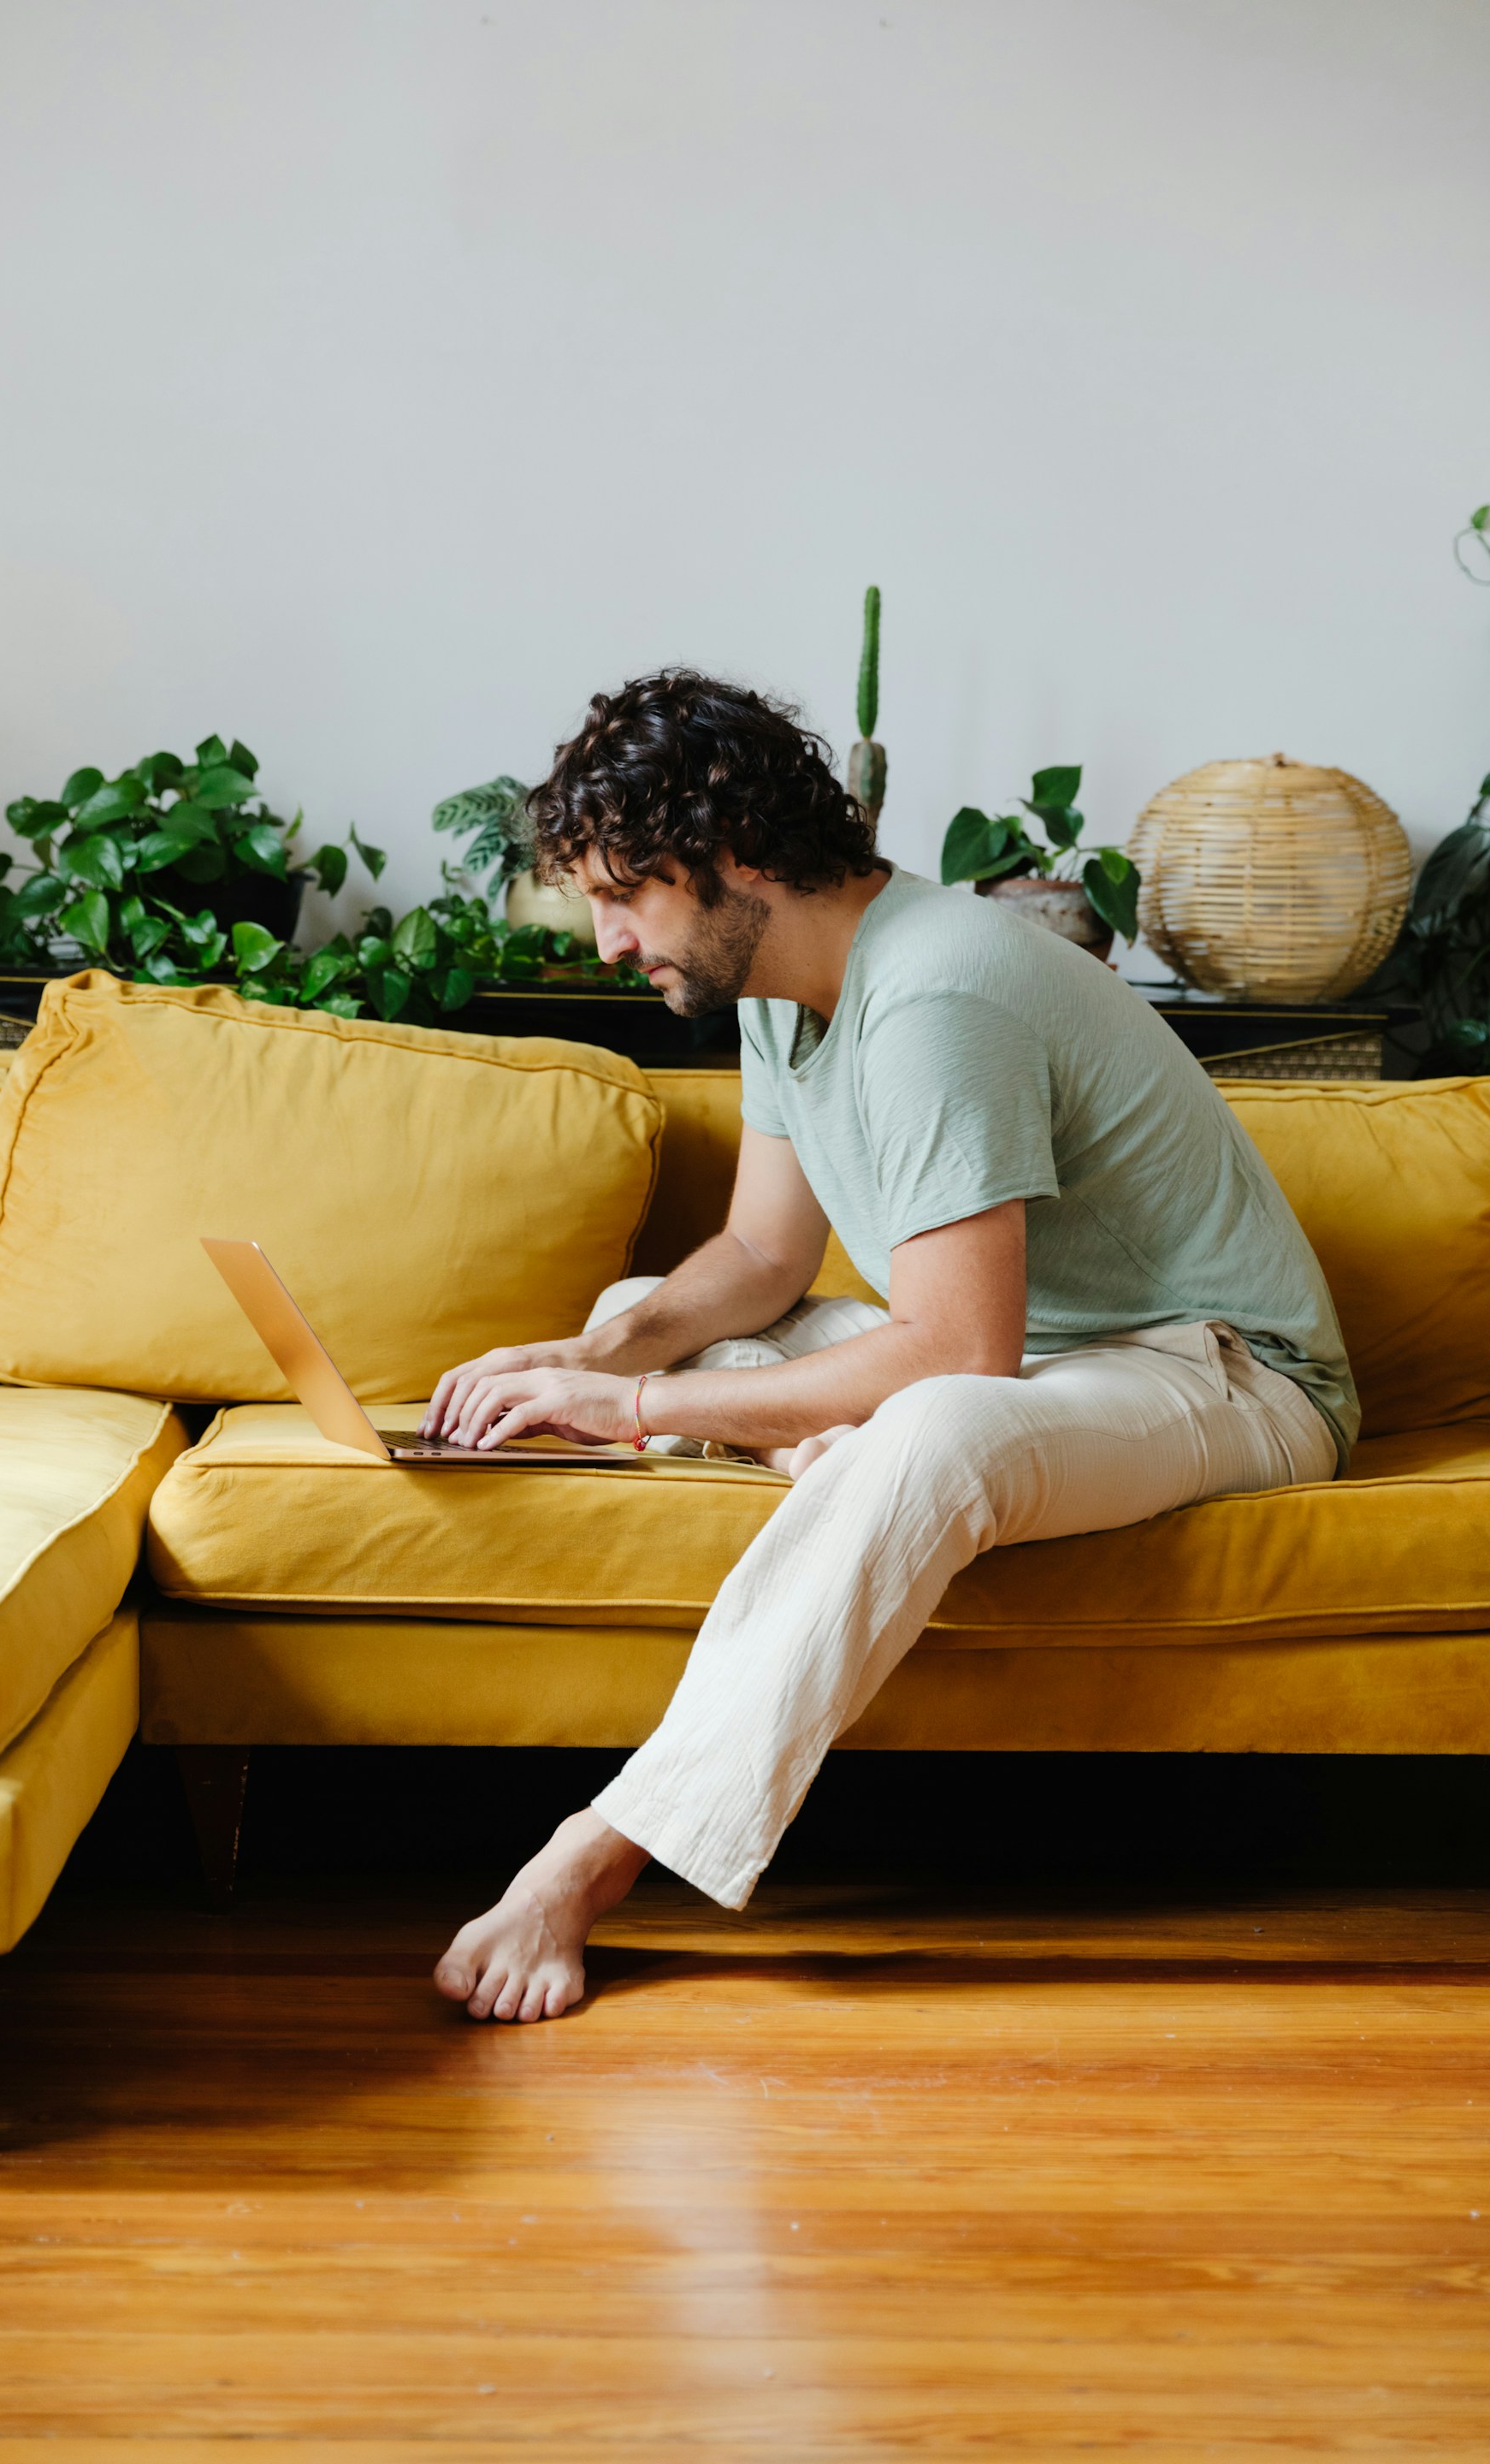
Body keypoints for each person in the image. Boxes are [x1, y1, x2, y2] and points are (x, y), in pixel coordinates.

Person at [424, 671, 1355, 2024]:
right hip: (1048, 1370)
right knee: (665, 1306)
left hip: (1223, 1373)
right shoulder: (770, 984)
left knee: (927, 1425)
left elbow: (958, 1352)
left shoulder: (937, 991)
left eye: (628, 892)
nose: (610, 939)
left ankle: (595, 1852)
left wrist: (629, 1404)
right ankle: (851, 1468)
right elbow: (759, 1260)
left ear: (736, 856)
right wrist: (587, 1348)